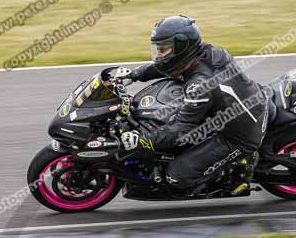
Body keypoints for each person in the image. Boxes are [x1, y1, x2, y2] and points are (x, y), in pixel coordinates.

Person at [114, 15, 274, 193]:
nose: (158, 55)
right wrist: (135, 74)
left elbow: (181, 130)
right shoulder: (208, 52)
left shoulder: (200, 86)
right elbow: (167, 65)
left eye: (163, 49)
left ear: (181, 48)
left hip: (240, 135)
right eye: (157, 49)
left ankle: (242, 164)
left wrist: (143, 140)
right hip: (250, 101)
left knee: (176, 177)